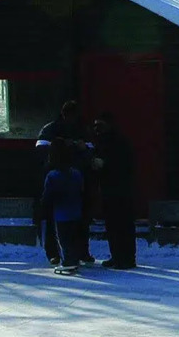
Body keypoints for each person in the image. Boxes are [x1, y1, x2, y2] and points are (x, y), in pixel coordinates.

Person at [34, 100, 92, 266]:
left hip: (69, 178)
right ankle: (64, 253)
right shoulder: (58, 129)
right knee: (70, 220)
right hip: (72, 177)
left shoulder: (52, 129)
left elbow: (40, 150)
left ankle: (70, 253)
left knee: (67, 221)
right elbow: (42, 150)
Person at [91, 112, 139, 269]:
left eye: (100, 125)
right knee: (116, 225)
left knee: (120, 225)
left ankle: (124, 257)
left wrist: (104, 166)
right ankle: (120, 256)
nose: (96, 129)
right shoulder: (113, 141)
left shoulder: (115, 143)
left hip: (117, 189)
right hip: (114, 189)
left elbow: (121, 166)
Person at [36, 139, 86, 275]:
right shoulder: (76, 173)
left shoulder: (52, 175)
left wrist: (42, 208)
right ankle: (74, 258)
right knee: (74, 237)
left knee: (63, 238)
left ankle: (67, 261)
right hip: (76, 210)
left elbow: (48, 196)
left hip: (61, 212)